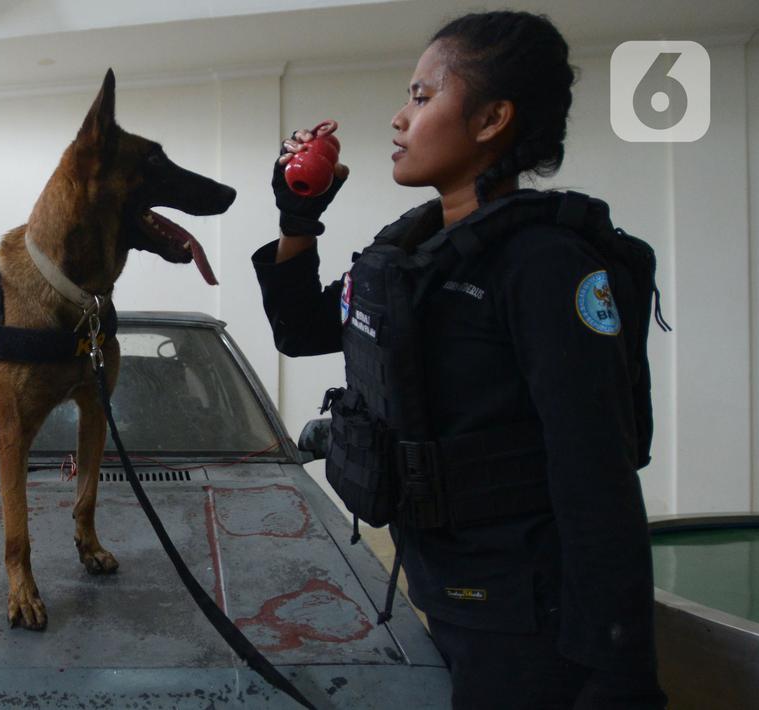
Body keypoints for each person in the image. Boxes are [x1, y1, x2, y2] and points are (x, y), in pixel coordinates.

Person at [252, 10, 667, 709]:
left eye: (420, 96)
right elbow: (298, 330)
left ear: (489, 119)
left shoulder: (545, 264)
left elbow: (594, 468)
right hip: (438, 582)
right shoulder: (408, 260)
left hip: (526, 612)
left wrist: (618, 667)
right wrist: (299, 219)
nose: (398, 117)